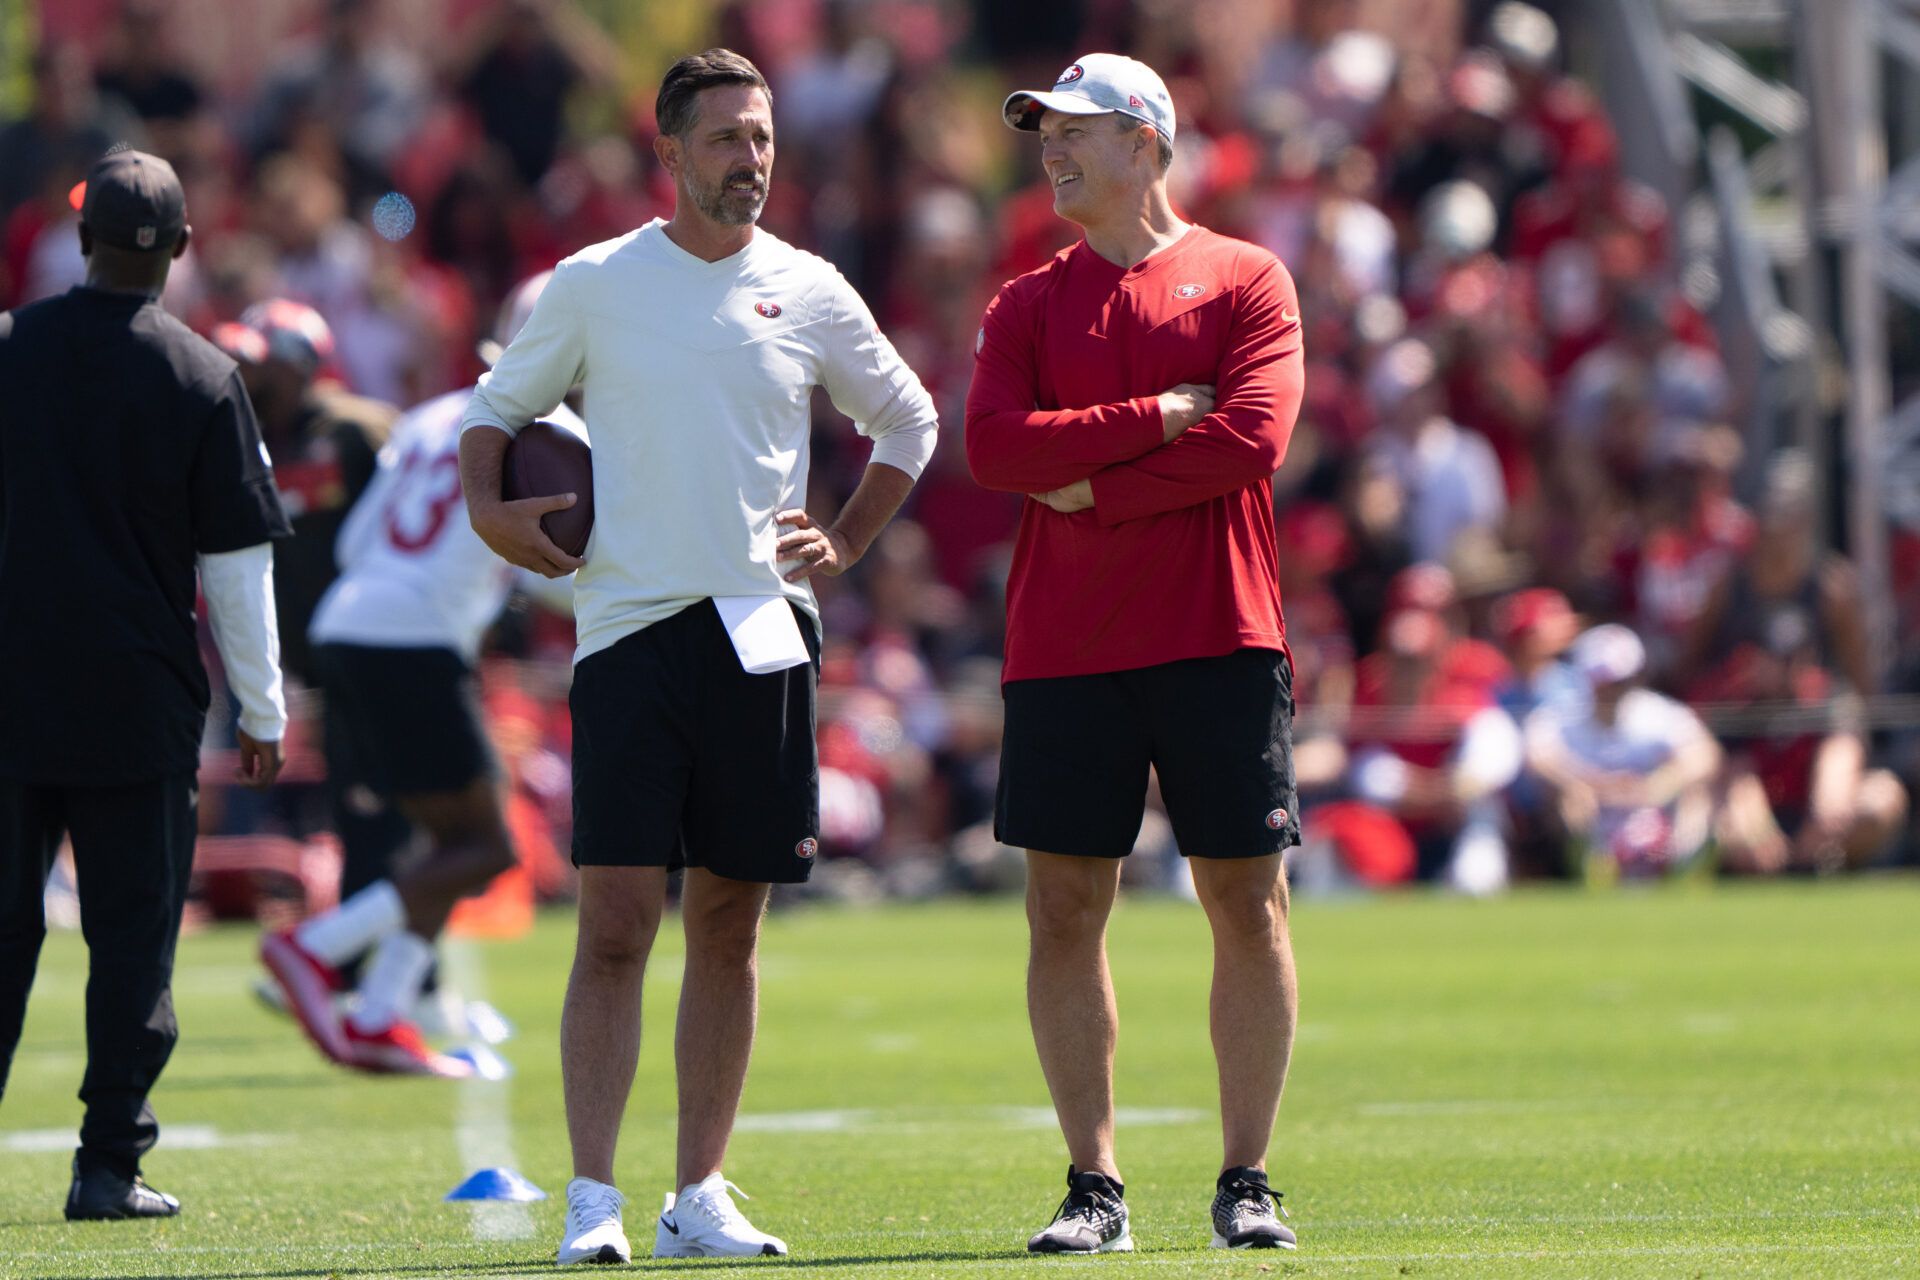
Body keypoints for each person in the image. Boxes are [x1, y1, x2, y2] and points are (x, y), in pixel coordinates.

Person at [456, 49, 938, 1265]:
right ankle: (590, 1199)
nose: (751, 158)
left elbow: (911, 418)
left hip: (764, 633)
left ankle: (700, 1191)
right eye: (726, 138)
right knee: (615, 922)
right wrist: (489, 512)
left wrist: (849, 535)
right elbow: (492, 412)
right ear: (668, 154)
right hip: (626, 634)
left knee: (731, 925)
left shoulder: (812, 287)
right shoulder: (593, 284)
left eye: (763, 136)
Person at [966, 53, 1305, 1253]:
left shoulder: (1245, 276)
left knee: (1245, 901)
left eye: (1077, 129)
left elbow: (1251, 441)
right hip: (1065, 646)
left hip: (1220, 629)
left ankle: (1248, 1176)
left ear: (1148, 140)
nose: (1051, 148)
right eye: (1044, 130)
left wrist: (1093, 488)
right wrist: (1157, 416)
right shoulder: (1024, 302)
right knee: (1064, 908)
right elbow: (997, 454)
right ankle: (1093, 1183)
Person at [0, 151, 290, 1219]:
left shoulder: (9, 349)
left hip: (10, 692)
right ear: (177, 250)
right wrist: (263, 711)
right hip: (138, 702)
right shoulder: (204, 376)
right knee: (132, 944)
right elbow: (238, 567)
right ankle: (108, 1164)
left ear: (82, 241)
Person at [259, 273, 582, 1076]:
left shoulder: (440, 413)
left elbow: (357, 537)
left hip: (351, 621)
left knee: (447, 840)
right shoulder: (558, 437)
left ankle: (378, 1012)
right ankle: (315, 948)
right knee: (486, 848)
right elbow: (556, 575)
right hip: (413, 637)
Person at [1524, 624, 1720, 879]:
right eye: (1604, 683)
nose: (1612, 691)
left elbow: (1705, 754)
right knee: (1569, 801)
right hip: (1596, 818)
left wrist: (1660, 783)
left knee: (1696, 797)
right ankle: (1592, 868)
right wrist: (1581, 783)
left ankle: (1683, 867)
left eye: (1620, 681)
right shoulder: (1563, 717)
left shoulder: (1656, 713)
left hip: (1654, 816)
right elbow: (1536, 756)